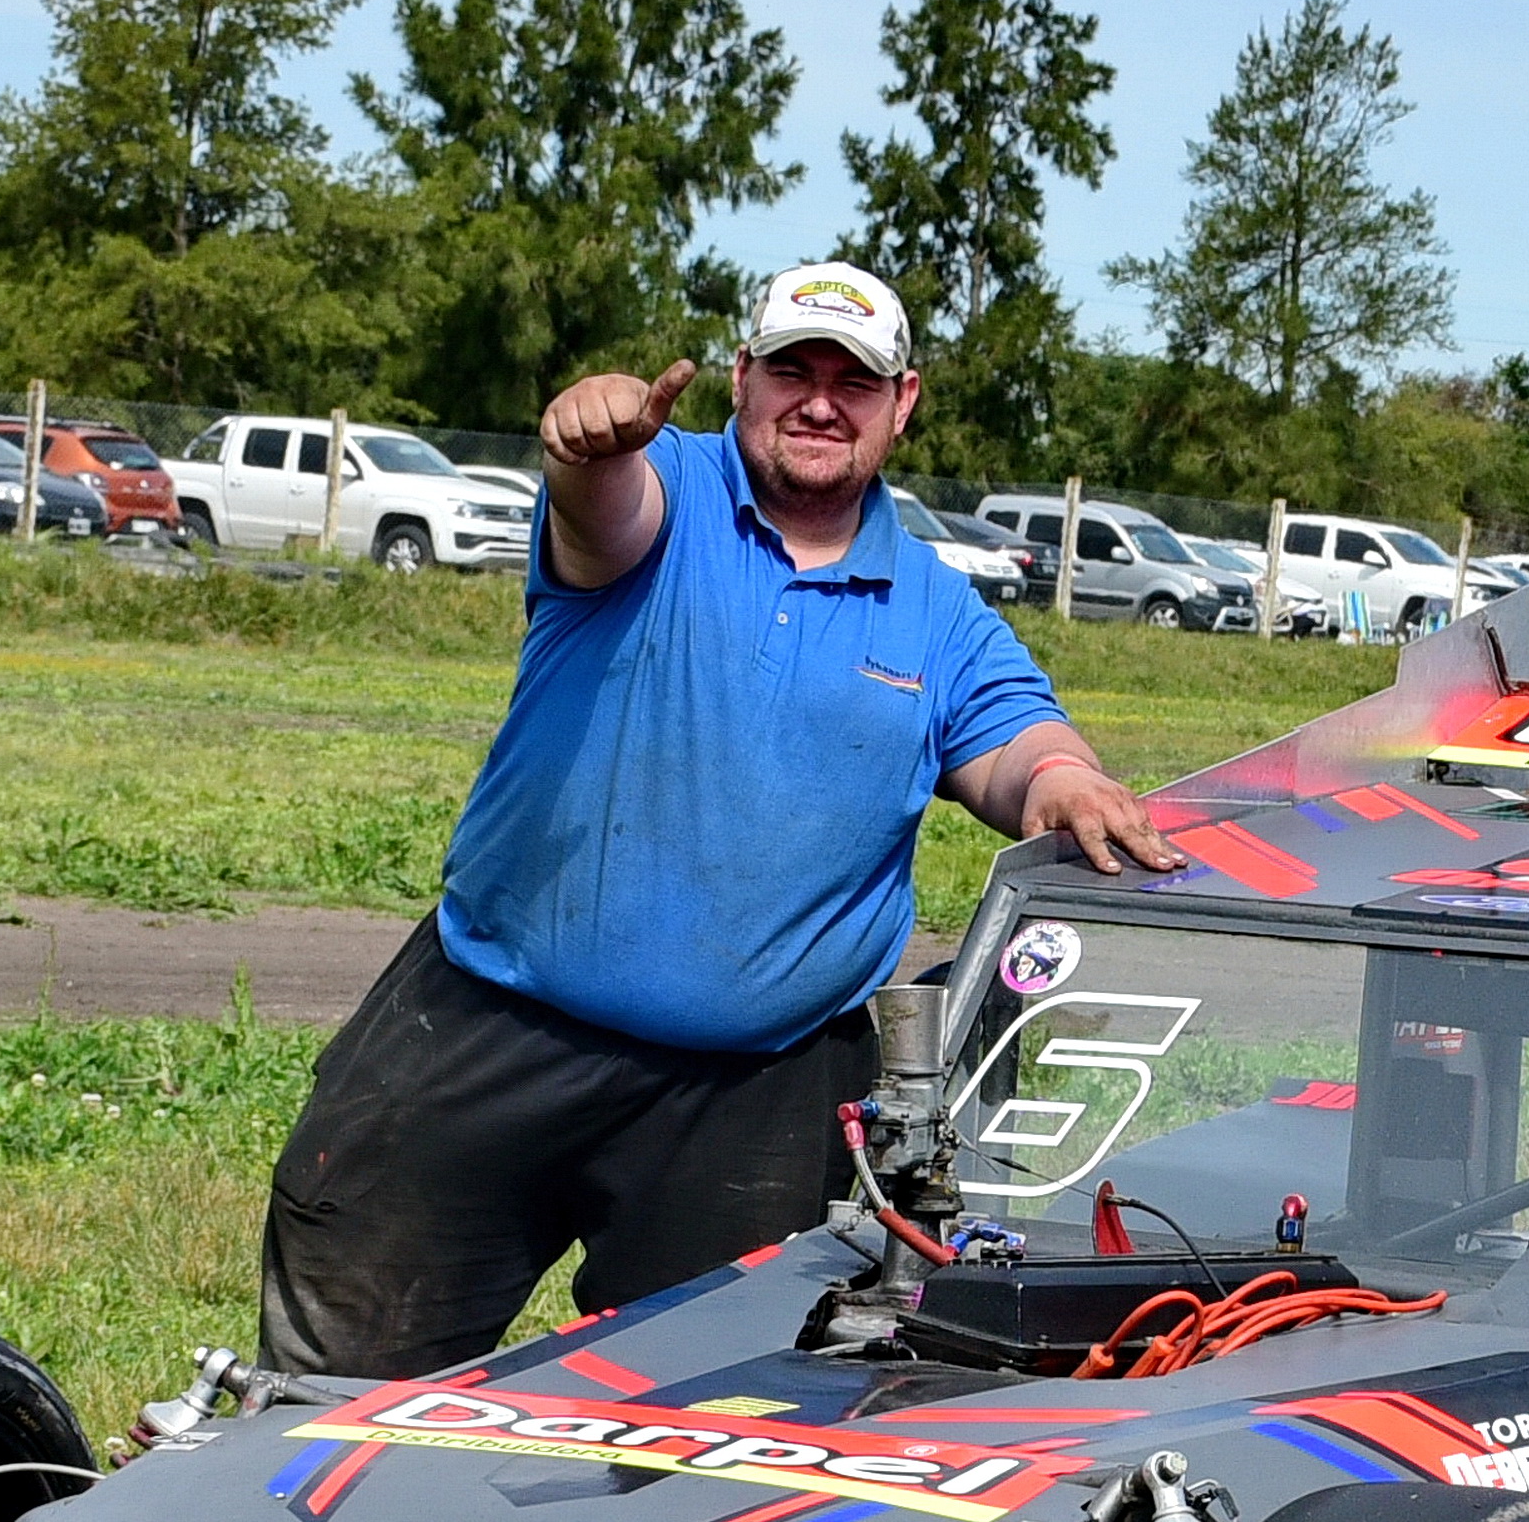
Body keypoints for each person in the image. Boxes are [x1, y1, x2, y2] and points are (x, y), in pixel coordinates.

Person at [261, 261, 1179, 1378]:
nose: (821, 400)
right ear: (741, 378)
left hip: (753, 1101)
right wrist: (585, 446)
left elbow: (1019, 750)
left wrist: (1068, 785)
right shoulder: (665, 489)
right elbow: (605, 516)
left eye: (857, 380)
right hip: (493, 1030)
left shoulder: (935, 609)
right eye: (794, 368)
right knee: (329, 1397)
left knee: (692, 1441)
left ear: (904, 402)